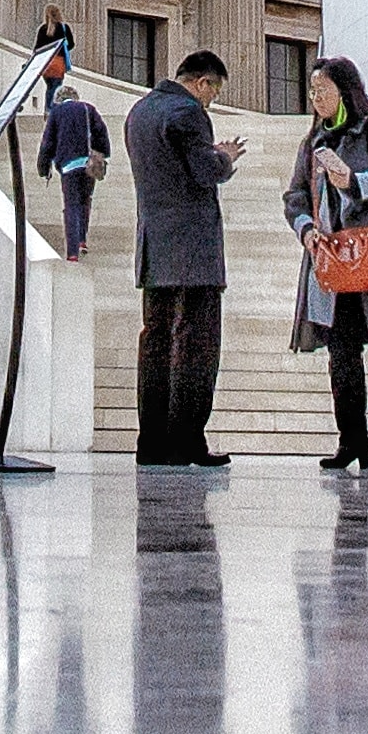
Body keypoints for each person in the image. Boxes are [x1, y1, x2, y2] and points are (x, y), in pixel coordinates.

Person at [285, 53, 368, 470]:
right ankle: (352, 443)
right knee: (341, 357)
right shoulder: (312, 144)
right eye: (311, 91)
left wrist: (356, 181)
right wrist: (306, 228)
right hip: (330, 262)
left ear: (344, 90)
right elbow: (294, 196)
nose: (315, 98)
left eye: (322, 89)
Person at [127, 46, 244, 466]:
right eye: (212, 92)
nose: (211, 100)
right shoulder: (188, 112)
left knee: (155, 341)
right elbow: (204, 171)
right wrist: (224, 158)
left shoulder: (139, 112)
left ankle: (152, 442)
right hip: (193, 248)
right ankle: (187, 440)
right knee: (197, 342)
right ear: (202, 83)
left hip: (154, 246)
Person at [40, 75, 111, 256]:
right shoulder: (88, 109)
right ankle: (82, 240)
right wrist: (103, 155)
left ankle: (72, 252)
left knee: (71, 205)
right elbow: (101, 133)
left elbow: (48, 142)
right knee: (85, 201)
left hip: (68, 166)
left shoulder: (56, 113)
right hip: (88, 164)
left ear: (58, 100)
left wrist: (43, 166)